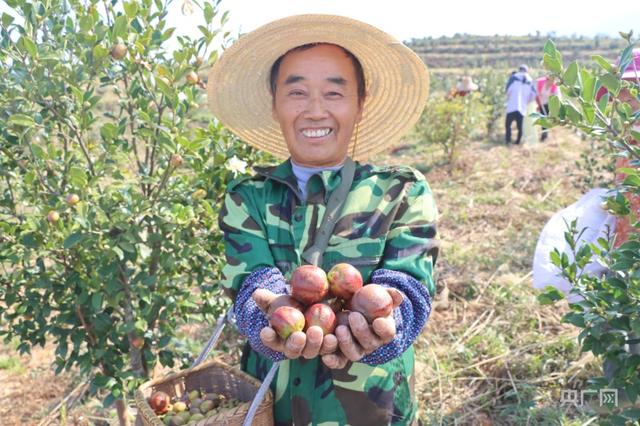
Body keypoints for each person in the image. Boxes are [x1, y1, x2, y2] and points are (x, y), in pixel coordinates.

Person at [207, 15, 438, 425]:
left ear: (359, 103)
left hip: (373, 409)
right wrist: (267, 309)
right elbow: (249, 281)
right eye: (296, 92)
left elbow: (411, 284)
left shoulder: (401, 191)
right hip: (272, 405)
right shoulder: (249, 198)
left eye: (334, 93)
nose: (315, 110)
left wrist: (385, 319)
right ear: (275, 104)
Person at [505, 64, 537, 145]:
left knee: (508, 125)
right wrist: (527, 101)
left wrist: (510, 98)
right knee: (520, 126)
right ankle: (518, 142)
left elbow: (508, 91)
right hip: (522, 106)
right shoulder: (530, 80)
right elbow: (533, 94)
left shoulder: (513, 78)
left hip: (512, 105)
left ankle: (508, 141)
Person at [535, 76, 560, 141]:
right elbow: (537, 93)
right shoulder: (541, 84)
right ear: (547, 80)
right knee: (543, 120)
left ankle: (545, 135)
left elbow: (557, 98)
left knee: (547, 120)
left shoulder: (555, 87)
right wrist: (538, 103)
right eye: (551, 81)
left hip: (550, 105)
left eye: (553, 81)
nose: (552, 82)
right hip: (542, 104)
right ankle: (544, 135)